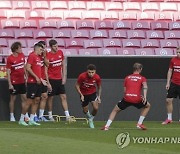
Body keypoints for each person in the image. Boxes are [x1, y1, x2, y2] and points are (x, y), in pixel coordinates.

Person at [101, 63, 151, 131]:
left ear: (133, 69)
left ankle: (106, 126)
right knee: (147, 106)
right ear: (140, 69)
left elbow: (125, 90)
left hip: (127, 98)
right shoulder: (142, 78)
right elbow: (145, 86)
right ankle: (139, 124)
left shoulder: (127, 77)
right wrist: (144, 96)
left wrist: (128, 95)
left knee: (115, 110)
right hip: (137, 99)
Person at [46, 39, 73, 122]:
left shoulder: (60, 53)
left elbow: (63, 65)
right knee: (50, 98)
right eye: (54, 46)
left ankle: (67, 116)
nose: (56, 47)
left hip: (59, 79)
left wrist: (64, 77)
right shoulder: (48, 55)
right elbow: (45, 70)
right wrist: (48, 82)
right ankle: (50, 116)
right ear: (50, 47)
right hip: (51, 79)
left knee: (63, 96)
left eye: (57, 46)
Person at [19, 43, 43, 126]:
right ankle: (22, 119)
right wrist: (36, 77)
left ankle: (32, 119)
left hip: (38, 82)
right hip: (32, 82)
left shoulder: (38, 58)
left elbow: (38, 70)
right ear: (36, 49)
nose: (42, 51)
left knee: (37, 100)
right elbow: (28, 67)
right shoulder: (32, 56)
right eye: (41, 49)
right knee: (29, 101)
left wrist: (41, 79)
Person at [6, 42, 29, 122]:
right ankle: (12, 116)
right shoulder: (10, 58)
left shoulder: (22, 55)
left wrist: (26, 77)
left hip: (22, 81)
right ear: (16, 49)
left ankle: (25, 115)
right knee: (13, 99)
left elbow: (24, 67)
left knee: (24, 98)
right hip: (14, 82)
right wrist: (10, 84)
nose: (21, 49)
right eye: (20, 48)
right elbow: (8, 72)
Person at [75, 64, 102, 128]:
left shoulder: (97, 77)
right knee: (85, 111)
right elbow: (77, 85)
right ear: (87, 71)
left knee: (96, 108)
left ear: (95, 72)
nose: (91, 74)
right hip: (84, 94)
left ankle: (91, 119)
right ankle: (89, 116)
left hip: (92, 93)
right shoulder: (82, 76)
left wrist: (99, 96)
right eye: (89, 72)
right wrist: (81, 94)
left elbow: (99, 87)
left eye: (92, 72)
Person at [162, 47, 180, 124]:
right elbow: (170, 71)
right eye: (177, 52)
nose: (178, 54)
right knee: (168, 100)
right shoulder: (173, 60)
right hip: (174, 83)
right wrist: (168, 83)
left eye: (179, 52)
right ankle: (169, 118)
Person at [37, 40, 51, 122]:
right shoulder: (35, 55)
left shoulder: (45, 54)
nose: (43, 49)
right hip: (37, 79)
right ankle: (33, 115)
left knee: (44, 96)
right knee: (36, 98)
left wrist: (45, 56)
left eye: (44, 47)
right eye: (42, 47)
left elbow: (47, 64)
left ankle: (41, 116)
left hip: (43, 78)